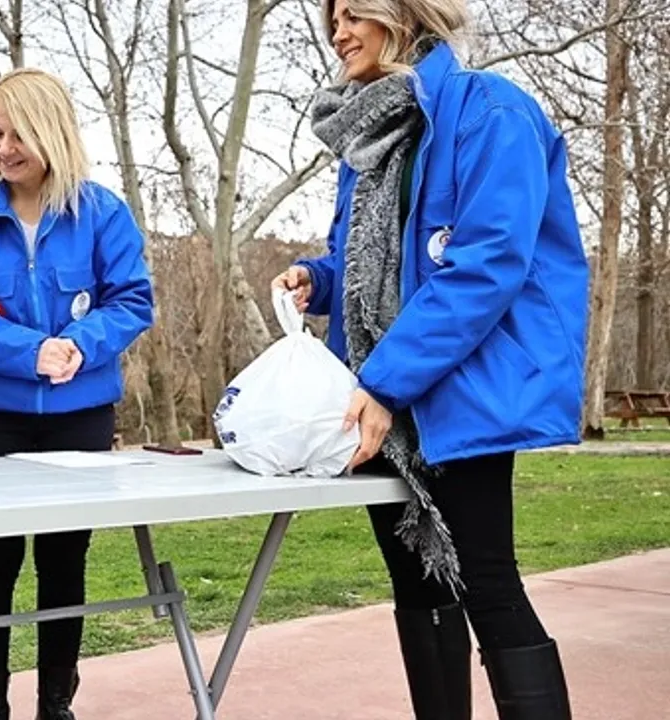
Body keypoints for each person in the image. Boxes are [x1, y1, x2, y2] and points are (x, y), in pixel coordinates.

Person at [273, 0, 586, 717]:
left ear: (405, 15)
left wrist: (386, 382)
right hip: (383, 399)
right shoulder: (369, 138)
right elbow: (370, 262)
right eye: (332, 19)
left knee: (487, 584)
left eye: (355, 13)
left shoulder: (492, 112)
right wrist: (318, 279)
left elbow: (486, 264)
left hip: (456, 390)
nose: (339, 32)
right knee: (418, 588)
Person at [0, 67, 155, 720]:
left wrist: (80, 345)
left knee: (64, 559)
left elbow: (131, 300)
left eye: (17, 135)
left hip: (80, 416)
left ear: (51, 133)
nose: (3, 148)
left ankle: (56, 702)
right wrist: (32, 352)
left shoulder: (103, 213)